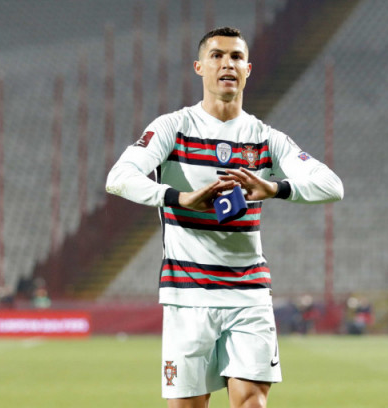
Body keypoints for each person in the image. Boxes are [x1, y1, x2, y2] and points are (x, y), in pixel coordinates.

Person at [106, 27, 343, 408]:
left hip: (248, 293)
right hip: (187, 294)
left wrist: (275, 188)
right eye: (216, 56)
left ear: (247, 69)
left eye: (236, 57)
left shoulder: (265, 138)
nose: (227, 64)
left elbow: (332, 185)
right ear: (199, 67)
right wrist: (178, 197)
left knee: (251, 402)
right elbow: (119, 177)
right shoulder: (173, 127)